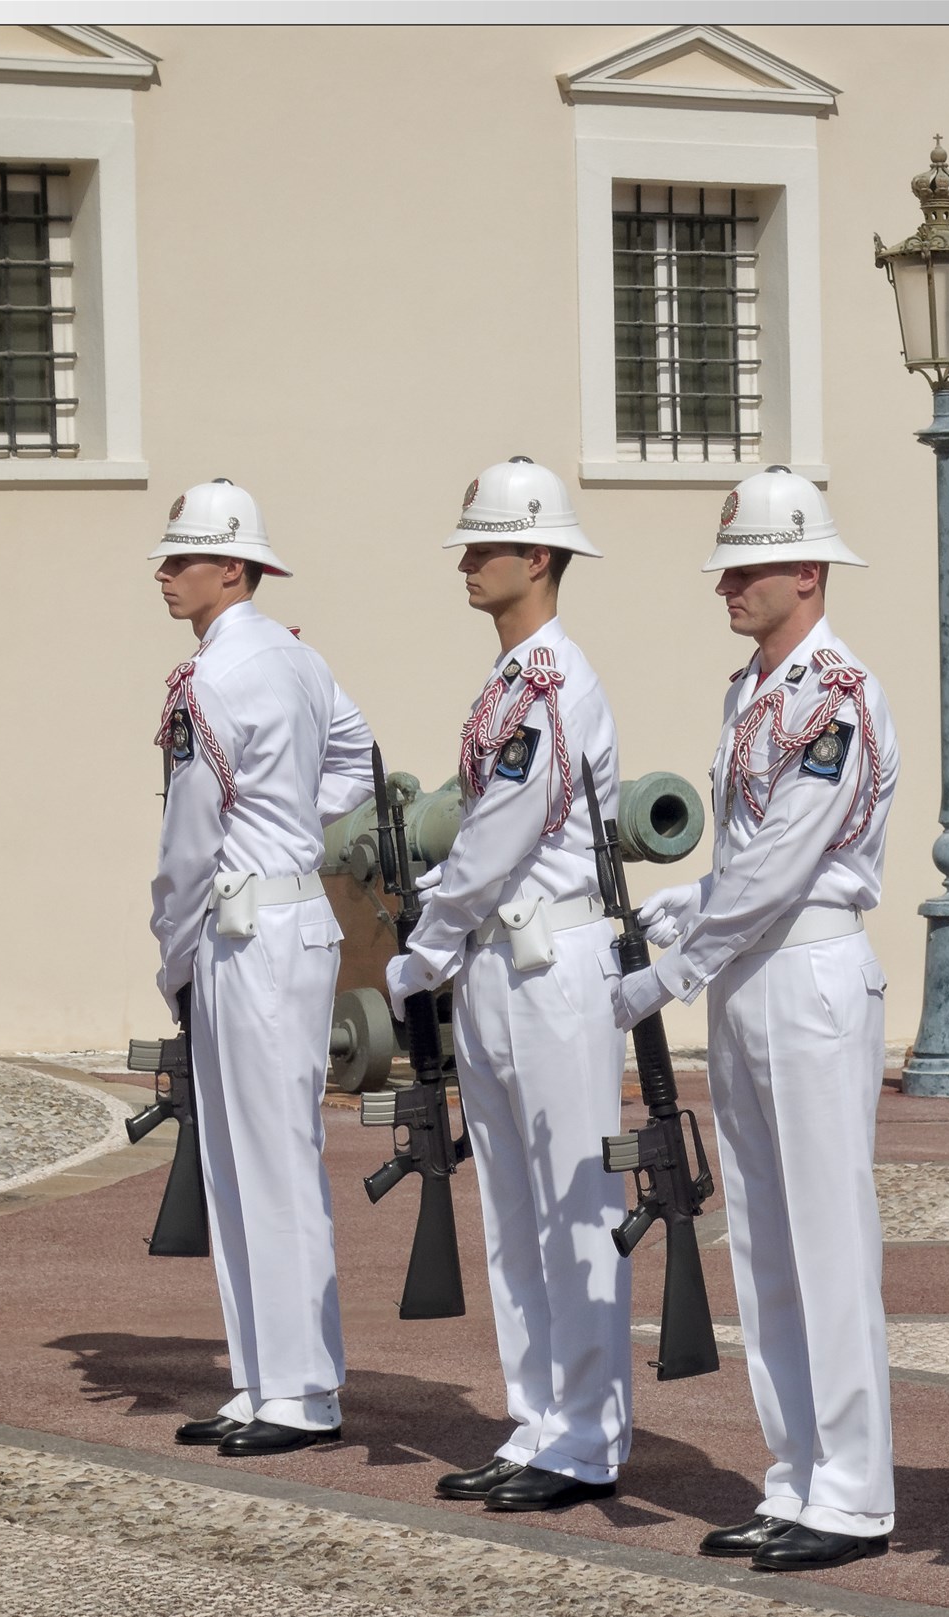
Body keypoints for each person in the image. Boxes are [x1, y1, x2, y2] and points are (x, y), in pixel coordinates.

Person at [616, 466, 900, 1572]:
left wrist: (671, 971)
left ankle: (856, 1489)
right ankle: (797, 1475)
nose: (726, 583)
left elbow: (788, 861)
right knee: (769, 1244)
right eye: (726, 566)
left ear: (808, 571)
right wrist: (689, 904)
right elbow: (751, 849)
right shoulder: (752, 689)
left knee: (829, 1239)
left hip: (809, 973)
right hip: (752, 969)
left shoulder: (835, 689)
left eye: (747, 567)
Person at [378, 458, 632, 1512]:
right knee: (513, 1210)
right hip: (498, 964)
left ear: (538, 557)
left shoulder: (555, 681)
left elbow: (500, 837)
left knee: (573, 1201)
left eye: (486, 546)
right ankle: (538, 1419)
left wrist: (424, 943)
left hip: (547, 961)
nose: (468, 562)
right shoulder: (506, 682)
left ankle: (589, 1433)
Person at [147, 480, 375, 1458]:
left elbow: (188, 839)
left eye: (182, 557)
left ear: (230, 568)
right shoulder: (297, 655)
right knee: (243, 1163)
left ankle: (303, 1389)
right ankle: (262, 1379)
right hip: (279, 918)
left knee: (271, 1161)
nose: (165, 572)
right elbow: (358, 756)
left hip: (249, 930)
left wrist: (170, 942)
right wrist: (293, 822)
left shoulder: (213, 678)